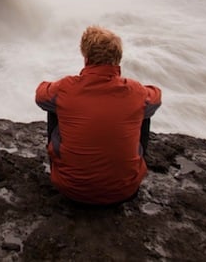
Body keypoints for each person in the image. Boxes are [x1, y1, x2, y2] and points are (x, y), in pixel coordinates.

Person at [35, 25, 162, 205]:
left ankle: (65, 164)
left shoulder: (66, 87)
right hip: (125, 190)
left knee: (54, 105)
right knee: (145, 109)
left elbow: (40, 95)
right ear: (118, 59)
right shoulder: (135, 91)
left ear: (86, 58)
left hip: (70, 189)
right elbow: (156, 95)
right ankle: (126, 167)